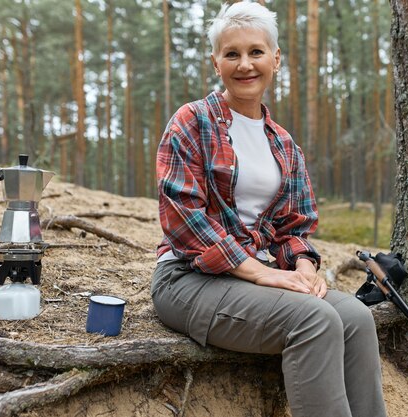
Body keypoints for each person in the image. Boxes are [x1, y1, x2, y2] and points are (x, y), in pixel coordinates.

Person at [151, 2, 387, 416]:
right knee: (314, 320)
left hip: (257, 278)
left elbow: (293, 226)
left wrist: (303, 269)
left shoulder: (283, 143)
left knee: (354, 316)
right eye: (232, 54)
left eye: (256, 52)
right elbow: (184, 221)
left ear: (276, 59)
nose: (245, 64)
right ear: (216, 62)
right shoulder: (191, 122)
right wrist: (264, 273)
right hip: (187, 279)